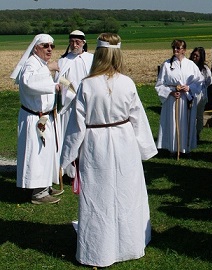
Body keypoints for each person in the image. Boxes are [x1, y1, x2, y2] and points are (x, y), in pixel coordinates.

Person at [60, 33, 158, 267]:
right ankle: (117, 246)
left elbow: (76, 127)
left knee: (101, 196)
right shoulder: (127, 83)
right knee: (121, 194)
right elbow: (138, 120)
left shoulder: (87, 84)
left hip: (97, 146)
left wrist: (67, 156)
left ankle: (105, 247)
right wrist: (145, 148)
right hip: (123, 144)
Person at [10, 33, 63, 204]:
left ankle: (44, 185)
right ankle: (38, 193)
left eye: (51, 46)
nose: (49, 49)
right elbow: (28, 82)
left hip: (45, 117)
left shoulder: (41, 63)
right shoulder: (31, 64)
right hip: (34, 118)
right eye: (45, 46)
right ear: (36, 48)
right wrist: (49, 71)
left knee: (47, 153)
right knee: (37, 154)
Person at [55, 30, 93, 178]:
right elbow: (59, 81)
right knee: (69, 137)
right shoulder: (63, 60)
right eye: (72, 41)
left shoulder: (91, 59)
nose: (74, 44)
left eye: (77, 42)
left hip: (87, 105)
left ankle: (84, 170)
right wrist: (68, 93)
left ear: (83, 42)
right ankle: (68, 171)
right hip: (68, 106)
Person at [155, 39, 202, 157]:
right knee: (173, 122)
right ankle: (173, 148)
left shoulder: (191, 65)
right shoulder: (166, 65)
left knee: (186, 122)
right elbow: (160, 84)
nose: (175, 50)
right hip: (172, 100)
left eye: (178, 48)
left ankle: (185, 148)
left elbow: (199, 82)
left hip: (186, 99)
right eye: (174, 48)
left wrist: (189, 87)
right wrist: (170, 92)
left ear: (184, 50)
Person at [189, 47, 212, 142]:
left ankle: (197, 133)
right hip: (189, 93)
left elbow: (209, 81)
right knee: (190, 115)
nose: (194, 57)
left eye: (197, 56)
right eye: (193, 55)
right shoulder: (188, 66)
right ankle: (189, 133)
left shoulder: (205, 69)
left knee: (199, 116)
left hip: (200, 95)